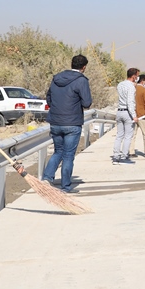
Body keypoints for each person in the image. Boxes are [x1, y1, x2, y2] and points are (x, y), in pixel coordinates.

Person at [41, 54, 92, 193]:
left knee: (58, 151)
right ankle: (65, 186)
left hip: (55, 121)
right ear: (84, 67)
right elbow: (87, 102)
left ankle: (47, 178)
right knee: (68, 155)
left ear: (71, 64)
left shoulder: (56, 78)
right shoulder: (81, 80)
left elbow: (49, 98)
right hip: (72, 122)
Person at [112, 68, 140, 164]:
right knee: (128, 136)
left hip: (119, 111)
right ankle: (124, 157)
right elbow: (130, 102)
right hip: (127, 112)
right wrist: (134, 115)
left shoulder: (120, 84)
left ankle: (116, 156)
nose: (137, 78)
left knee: (119, 135)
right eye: (137, 76)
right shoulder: (131, 87)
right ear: (133, 76)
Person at [130, 74, 145, 157]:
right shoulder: (144, 90)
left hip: (133, 115)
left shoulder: (132, 89)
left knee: (132, 135)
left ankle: (131, 151)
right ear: (143, 80)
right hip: (142, 115)